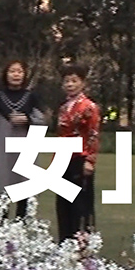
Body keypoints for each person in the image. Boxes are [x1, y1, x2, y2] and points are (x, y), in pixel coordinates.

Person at [0, 60, 45, 219]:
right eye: (12, 71)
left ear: (24, 75)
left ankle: (20, 225)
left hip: (25, 147)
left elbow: (42, 122)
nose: (16, 75)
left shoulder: (31, 97)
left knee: (24, 186)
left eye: (19, 71)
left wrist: (28, 120)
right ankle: (0, 225)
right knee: (2, 187)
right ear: (6, 75)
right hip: (2, 147)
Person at [56, 64, 100, 242]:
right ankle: (64, 241)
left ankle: (81, 243)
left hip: (80, 158)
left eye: (74, 81)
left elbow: (93, 133)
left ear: (82, 83)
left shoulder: (89, 107)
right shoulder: (63, 108)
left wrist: (90, 160)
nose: (70, 85)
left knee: (80, 203)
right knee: (63, 203)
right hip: (62, 158)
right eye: (66, 81)